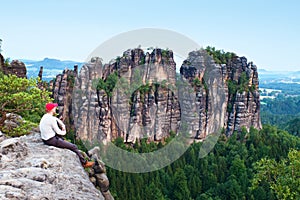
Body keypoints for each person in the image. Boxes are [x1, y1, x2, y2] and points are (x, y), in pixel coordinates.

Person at [39, 103, 94, 168]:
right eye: (54, 107)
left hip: (45, 139)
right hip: (51, 140)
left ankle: (63, 142)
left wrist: (61, 124)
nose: (55, 108)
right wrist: (64, 130)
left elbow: (56, 119)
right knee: (74, 146)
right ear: (51, 110)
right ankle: (84, 163)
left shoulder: (45, 116)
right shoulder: (51, 119)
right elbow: (59, 132)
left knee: (62, 140)